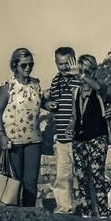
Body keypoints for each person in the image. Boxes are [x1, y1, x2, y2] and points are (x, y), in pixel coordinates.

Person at [0, 47, 49, 207]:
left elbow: (38, 103)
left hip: (34, 139)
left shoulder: (36, 84)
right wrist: (1, 135)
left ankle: (29, 219)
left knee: (31, 183)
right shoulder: (7, 86)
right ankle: (13, 220)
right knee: (14, 183)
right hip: (12, 141)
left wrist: (48, 104)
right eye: (24, 65)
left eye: (31, 64)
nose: (28, 68)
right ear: (15, 65)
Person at [71, 54, 111, 218]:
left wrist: (83, 75)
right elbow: (75, 116)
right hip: (79, 139)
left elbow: (98, 87)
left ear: (94, 70)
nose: (85, 72)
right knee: (81, 178)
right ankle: (86, 213)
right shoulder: (76, 91)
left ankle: (103, 213)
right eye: (82, 68)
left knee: (97, 176)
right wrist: (71, 129)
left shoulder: (101, 89)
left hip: (97, 137)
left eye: (89, 69)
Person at [47, 46, 82, 212]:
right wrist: (49, 105)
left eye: (67, 63)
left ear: (74, 60)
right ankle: (63, 209)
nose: (64, 67)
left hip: (80, 137)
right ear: (55, 63)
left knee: (83, 175)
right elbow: (51, 100)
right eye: (60, 63)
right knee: (63, 176)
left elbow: (90, 94)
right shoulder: (55, 81)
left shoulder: (80, 77)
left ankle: (90, 207)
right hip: (61, 136)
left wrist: (79, 75)